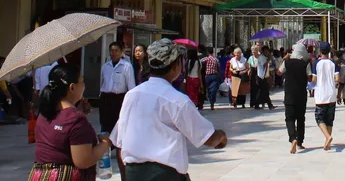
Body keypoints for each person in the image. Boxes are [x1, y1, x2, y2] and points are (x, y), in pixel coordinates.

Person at [111, 40, 227, 180]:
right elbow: (207, 138)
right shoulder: (177, 100)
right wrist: (221, 136)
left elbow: (119, 142)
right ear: (175, 65)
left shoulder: (131, 95)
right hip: (166, 175)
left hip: (134, 174)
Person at [29, 62, 111, 181]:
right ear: (72, 87)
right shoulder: (75, 119)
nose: (84, 85)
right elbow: (83, 161)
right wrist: (105, 143)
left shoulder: (44, 113)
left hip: (40, 176)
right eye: (81, 81)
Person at [280, 43, 312, 154]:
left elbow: (279, 72)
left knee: (289, 118)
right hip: (301, 95)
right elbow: (310, 78)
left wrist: (284, 59)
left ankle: (293, 138)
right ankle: (299, 142)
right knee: (300, 119)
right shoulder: (305, 64)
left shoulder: (287, 62)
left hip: (289, 95)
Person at [99, 41, 136, 134]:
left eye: (116, 51)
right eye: (111, 51)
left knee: (118, 126)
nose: (113, 53)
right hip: (105, 99)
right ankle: (105, 142)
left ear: (121, 52)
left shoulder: (127, 66)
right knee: (104, 125)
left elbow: (131, 86)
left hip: (119, 99)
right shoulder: (105, 66)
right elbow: (102, 83)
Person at [314, 41, 340, 151]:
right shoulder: (333, 63)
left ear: (320, 51)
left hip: (321, 95)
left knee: (319, 118)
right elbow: (337, 79)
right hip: (331, 94)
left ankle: (327, 137)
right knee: (330, 119)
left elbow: (314, 79)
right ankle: (327, 142)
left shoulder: (316, 63)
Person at [252, 45, 275, 110]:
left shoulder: (265, 57)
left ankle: (263, 104)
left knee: (264, 91)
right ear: (263, 51)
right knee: (264, 91)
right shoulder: (261, 58)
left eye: (267, 51)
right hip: (261, 77)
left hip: (264, 76)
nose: (267, 52)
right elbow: (265, 65)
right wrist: (268, 59)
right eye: (265, 51)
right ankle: (268, 105)